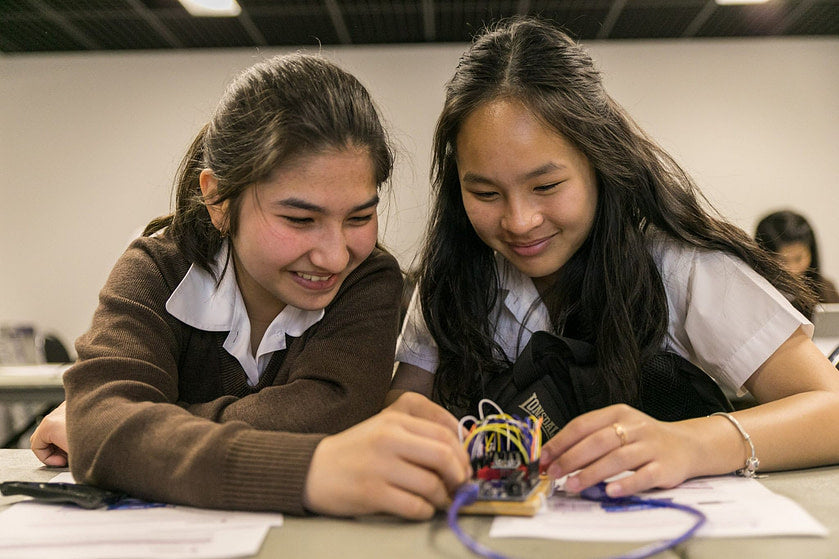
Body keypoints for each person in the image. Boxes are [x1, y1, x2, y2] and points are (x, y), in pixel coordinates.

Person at [390, 17, 839, 499]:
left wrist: (691, 442)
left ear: (600, 162)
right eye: (484, 192)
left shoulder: (677, 265)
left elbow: (829, 406)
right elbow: (404, 409)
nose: (519, 221)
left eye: (546, 187)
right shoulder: (453, 278)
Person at [30, 53, 470, 519]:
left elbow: (334, 412)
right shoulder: (155, 270)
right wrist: (309, 471)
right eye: (300, 219)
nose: (335, 255)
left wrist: (141, 430)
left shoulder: (368, 280)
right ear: (218, 199)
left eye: (360, 217)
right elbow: (103, 426)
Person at [755, 210, 839, 306]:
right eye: (782, 261)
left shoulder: (826, 290)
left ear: (811, 252)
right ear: (763, 257)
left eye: (798, 258)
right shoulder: (754, 293)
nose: (793, 269)